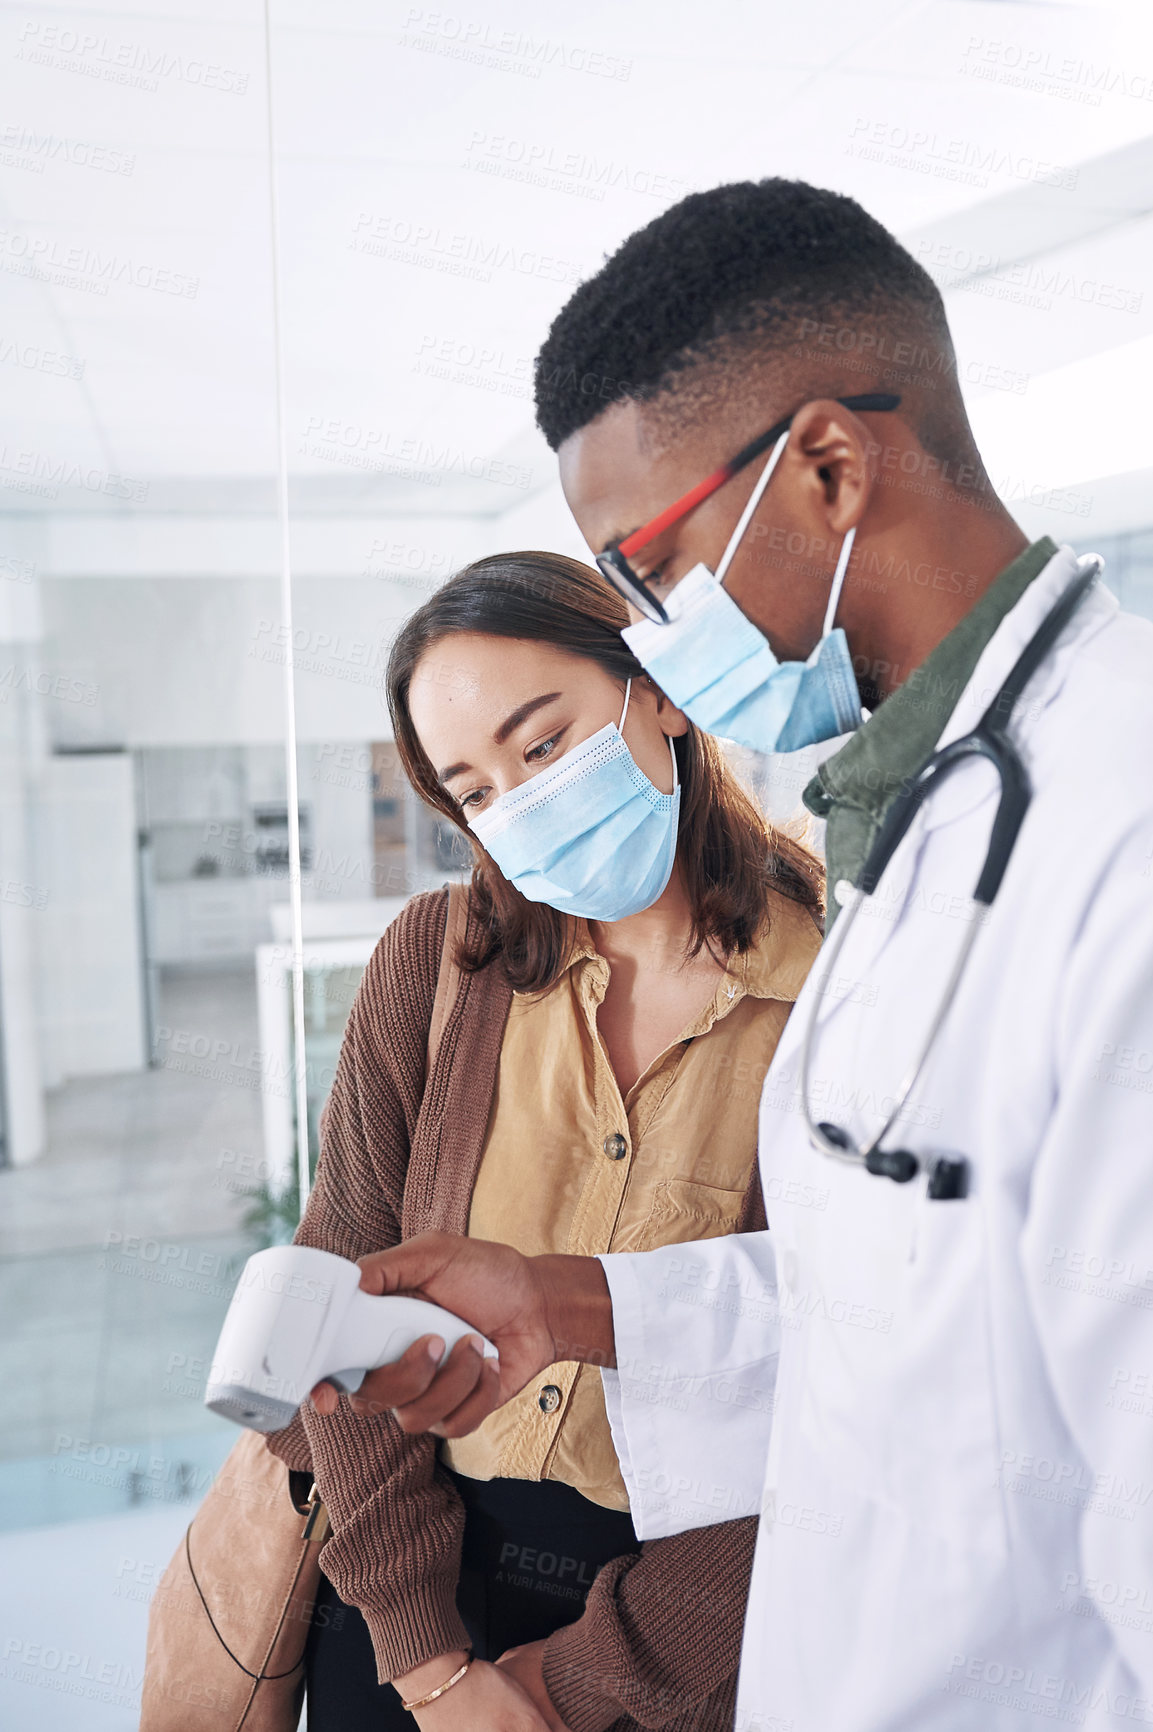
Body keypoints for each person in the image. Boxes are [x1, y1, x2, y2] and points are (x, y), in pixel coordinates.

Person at [317, 180, 1153, 1731]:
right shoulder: (920, 816)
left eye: (649, 568)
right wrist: (566, 1303)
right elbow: (894, 1306)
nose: (649, 633)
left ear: (827, 467)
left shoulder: (1113, 835)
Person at [268, 550, 824, 1729]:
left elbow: (840, 1388)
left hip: (687, 1622)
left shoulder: (840, 988)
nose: (516, 805)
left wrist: (568, 1683)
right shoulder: (434, 962)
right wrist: (429, 1664)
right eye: (473, 790)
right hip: (405, 1590)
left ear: (659, 694)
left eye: (542, 745)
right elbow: (337, 1292)